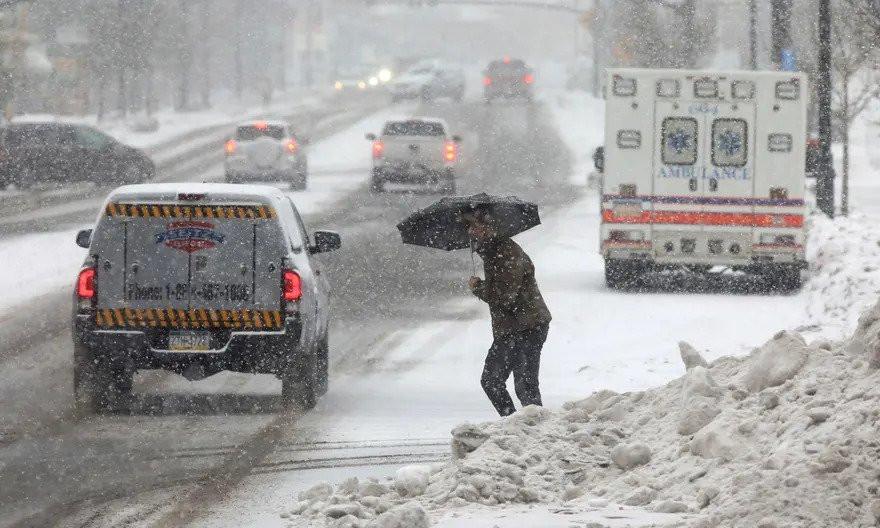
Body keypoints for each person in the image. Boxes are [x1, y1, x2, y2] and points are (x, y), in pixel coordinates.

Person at [464, 207, 552, 417]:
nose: (470, 232)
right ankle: (522, 430)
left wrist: (478, 287)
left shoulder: (505, 253)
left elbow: (504, 296)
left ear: (488, 226)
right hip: (518, 325)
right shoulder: (494, 251)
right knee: (520, 385)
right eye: (467, 227)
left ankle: (523, 431)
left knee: (508, 383)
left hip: (525, 326)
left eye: (474, 226)